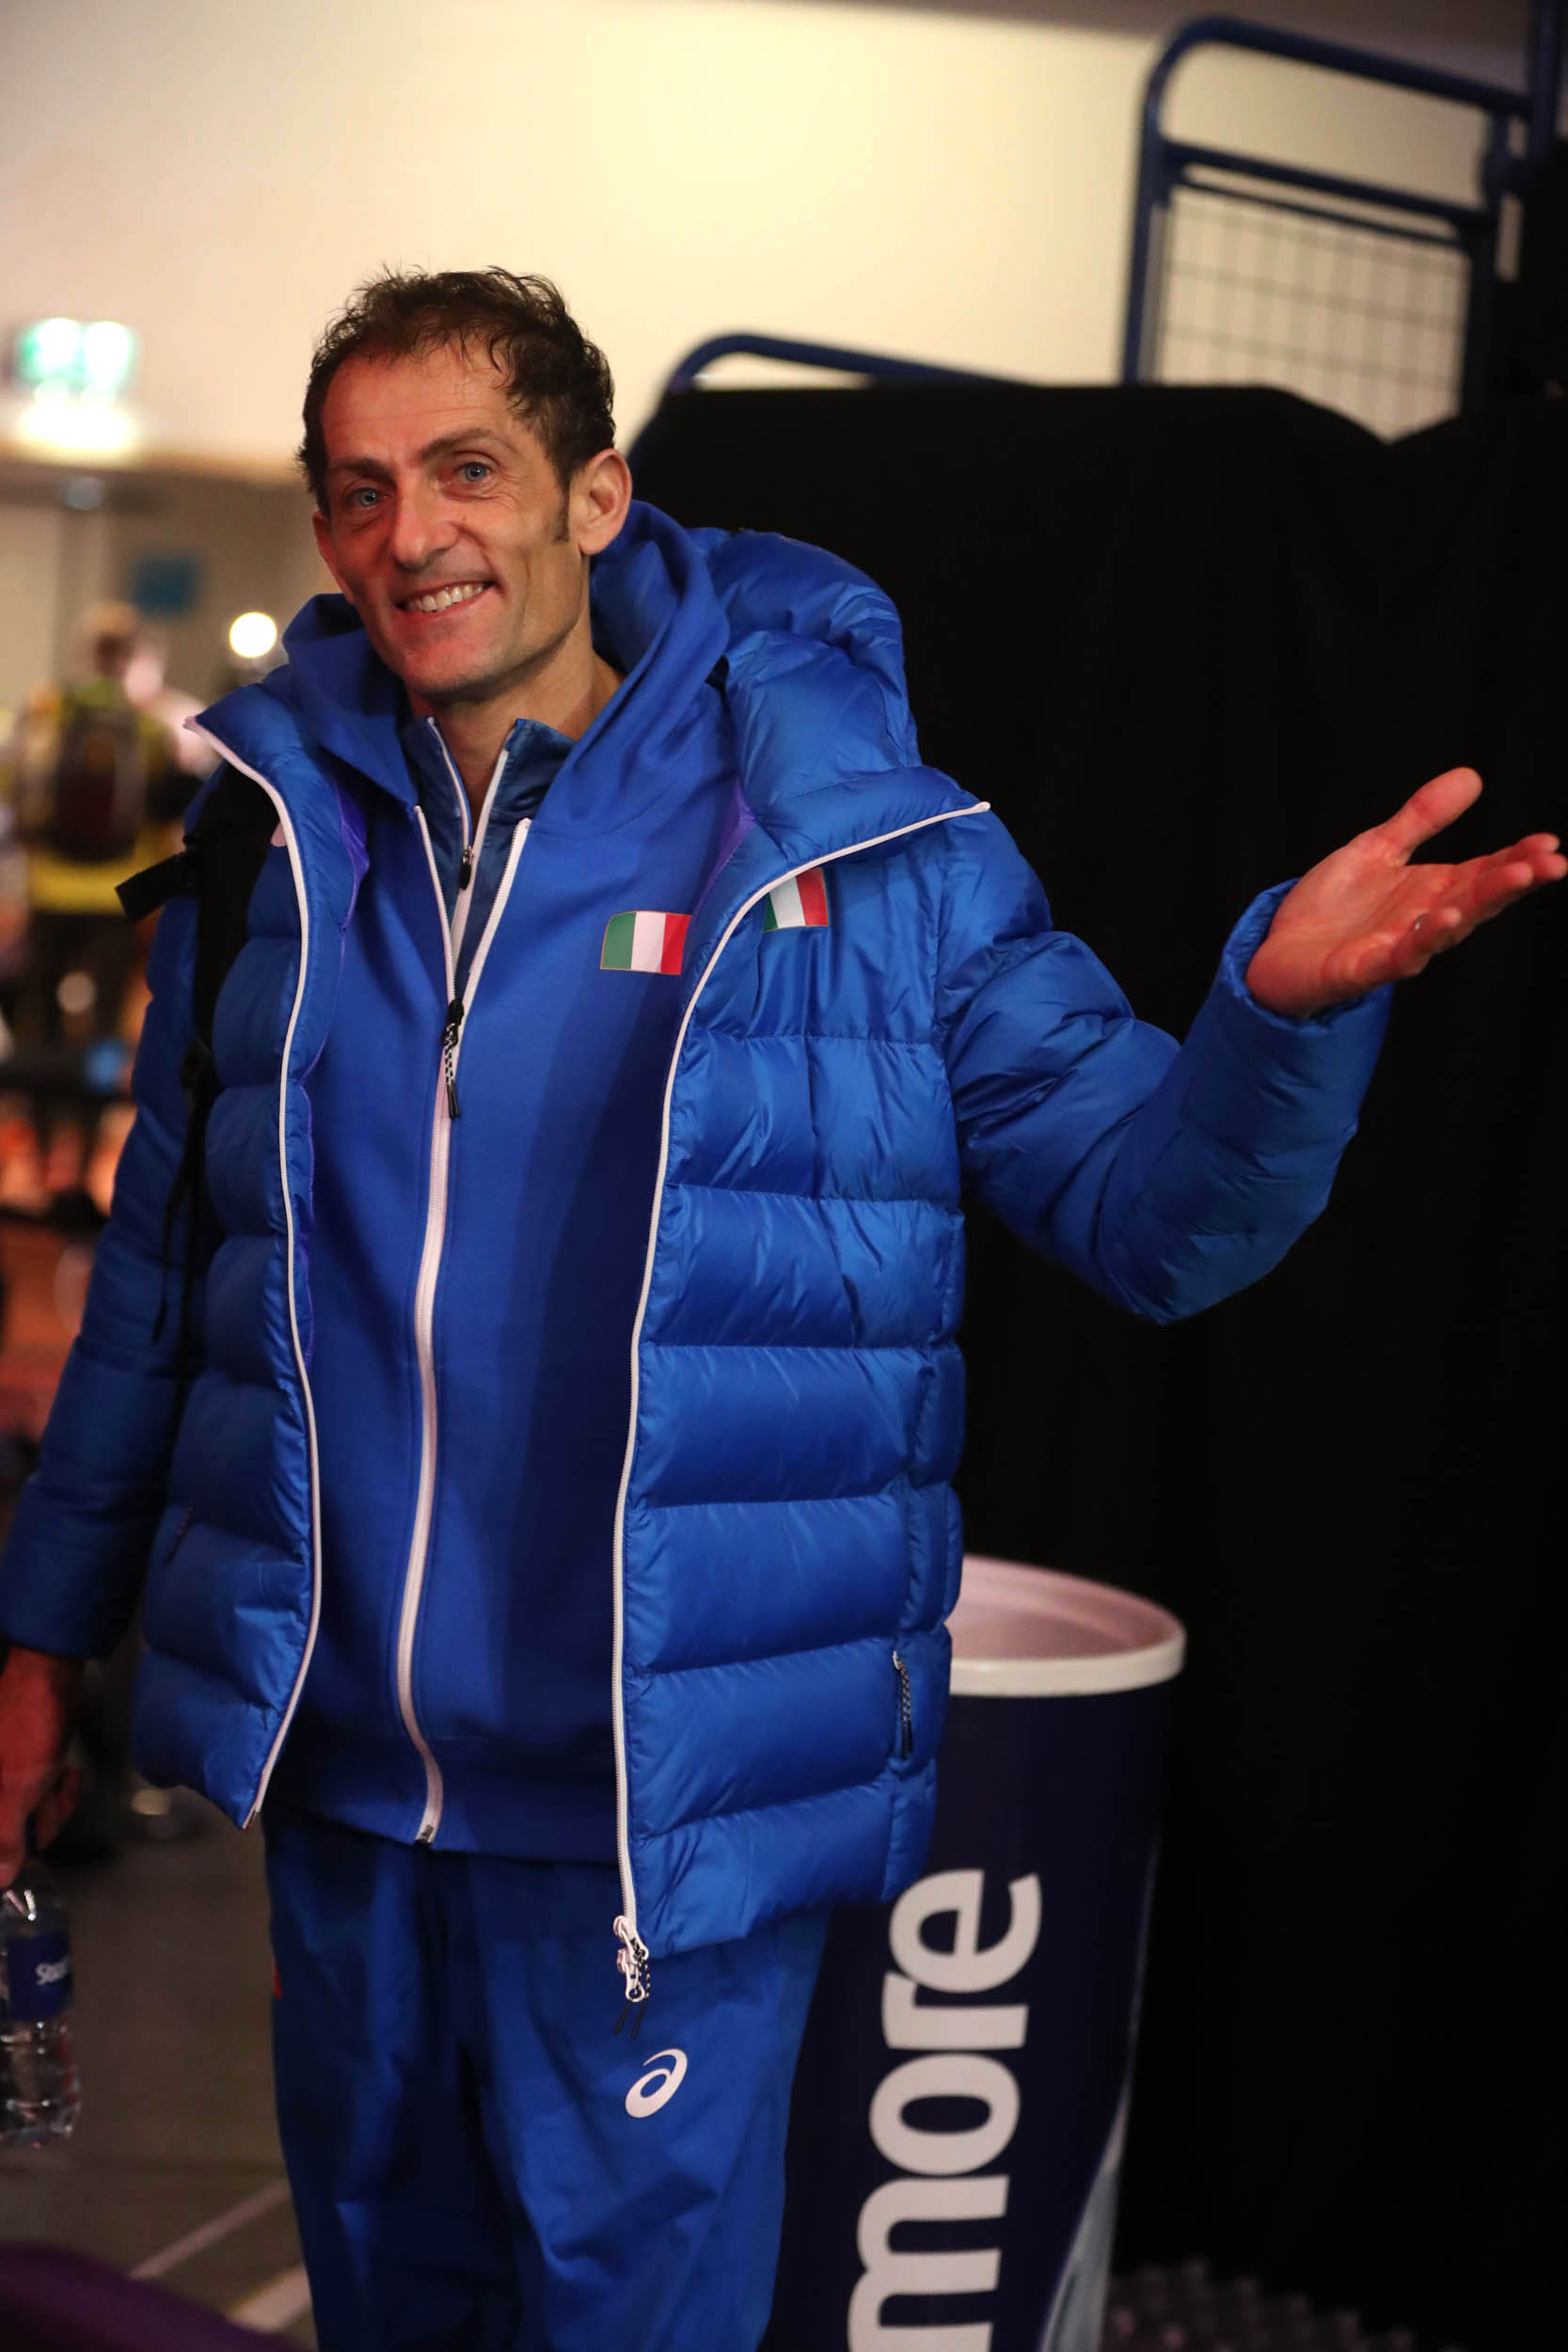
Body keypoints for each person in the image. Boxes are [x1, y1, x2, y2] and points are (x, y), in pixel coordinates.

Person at [0, 271, 1559, 2352]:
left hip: (656, 1828)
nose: (414, 533)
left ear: (595, 495)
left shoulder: (859, 847)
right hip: (347, 1805)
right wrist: (38, 1646)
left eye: (469, 470)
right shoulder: (266, 847)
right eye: (362, 490)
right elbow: (159, 1300)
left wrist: (1278, 1014)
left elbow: (1156, 1216)